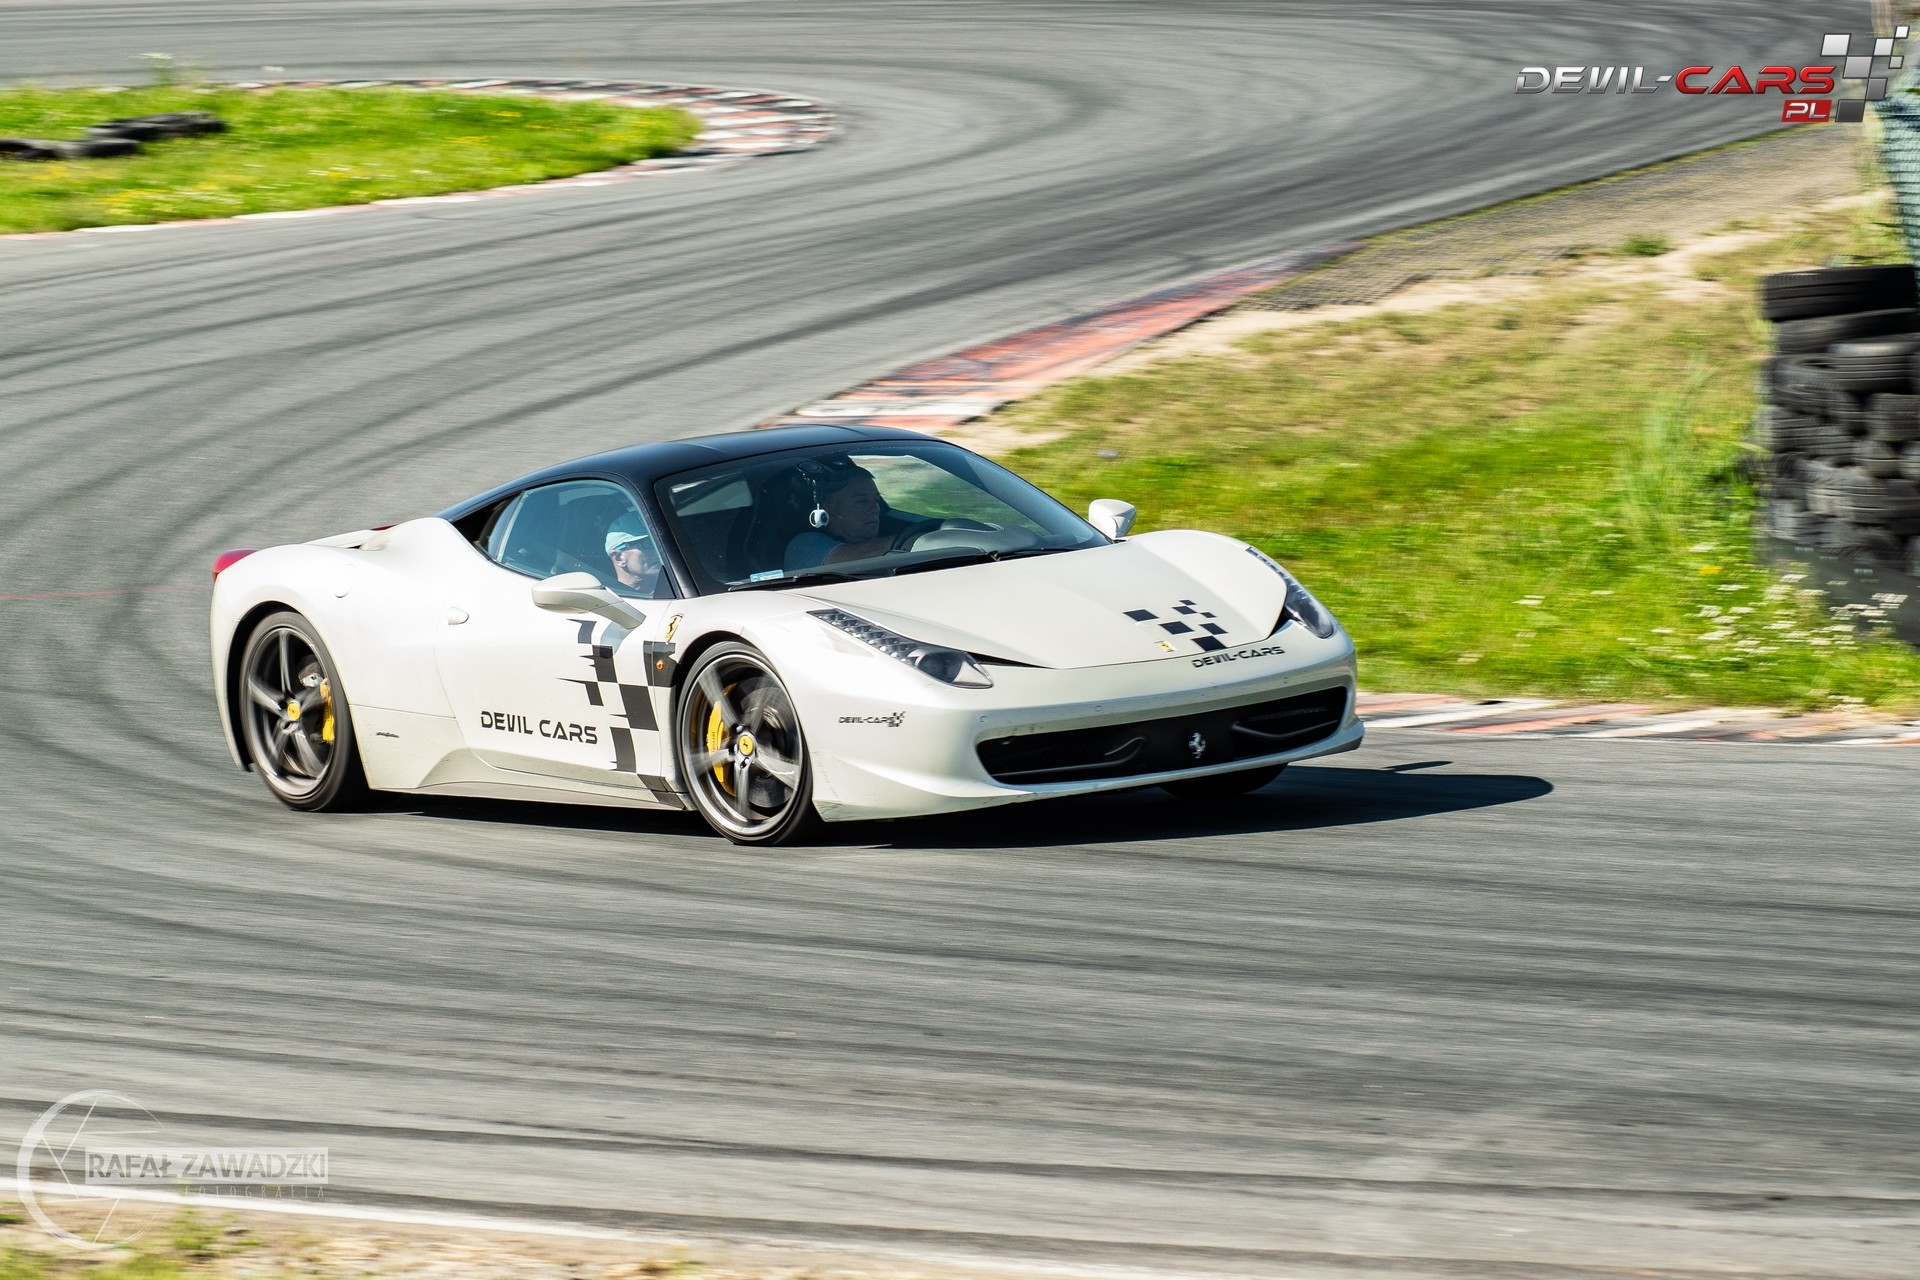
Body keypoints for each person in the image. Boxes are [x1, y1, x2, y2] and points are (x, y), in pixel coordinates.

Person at [783, 464, 896, 571]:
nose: (874, 509)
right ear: (829, 509)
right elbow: (858, 557)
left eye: (876, 500)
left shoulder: (883, 535)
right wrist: (908, 542)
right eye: (861, 501)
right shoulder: (803, 546)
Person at [605, 521, 667, 597]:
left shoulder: (675, 586)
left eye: (659, 543)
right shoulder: (609, 602)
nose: (659, 550)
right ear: (619, 558)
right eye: (649, 543)